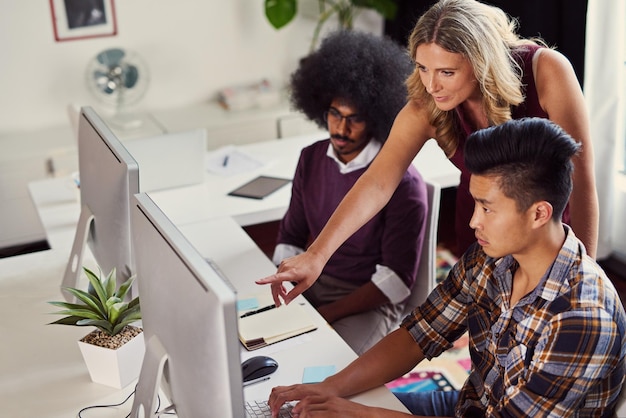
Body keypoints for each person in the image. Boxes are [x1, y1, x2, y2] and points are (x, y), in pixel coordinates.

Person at [267, 117, 626, 417]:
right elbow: (418, 334)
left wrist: (356, 413)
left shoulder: (582, 317)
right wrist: (328, 388)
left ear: (539, 213)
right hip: (468, 406)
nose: (473, 222)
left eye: (487, 208)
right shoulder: (489, 257)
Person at [256, 0, 599, 307]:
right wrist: (317, 255)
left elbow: (581, 181)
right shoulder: (427, 104)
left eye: (447, 72)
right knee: (489, 341)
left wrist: (585, 275)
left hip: (548, 234)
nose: (432, 84)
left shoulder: (546, 70)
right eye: (422, 68)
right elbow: (377, 181)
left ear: (481, 64)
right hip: (484, 233)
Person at [272, 30, 428, 354]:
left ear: (376, 117)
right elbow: (291, 236)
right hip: (311, 285)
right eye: (334, 115)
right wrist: (285, 283)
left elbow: (394, 283)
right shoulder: (311, 158)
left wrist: (323, 315)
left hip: (366, 302)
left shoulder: (404, 184)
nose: (341, 129)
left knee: (329, 368)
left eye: (354, 119)